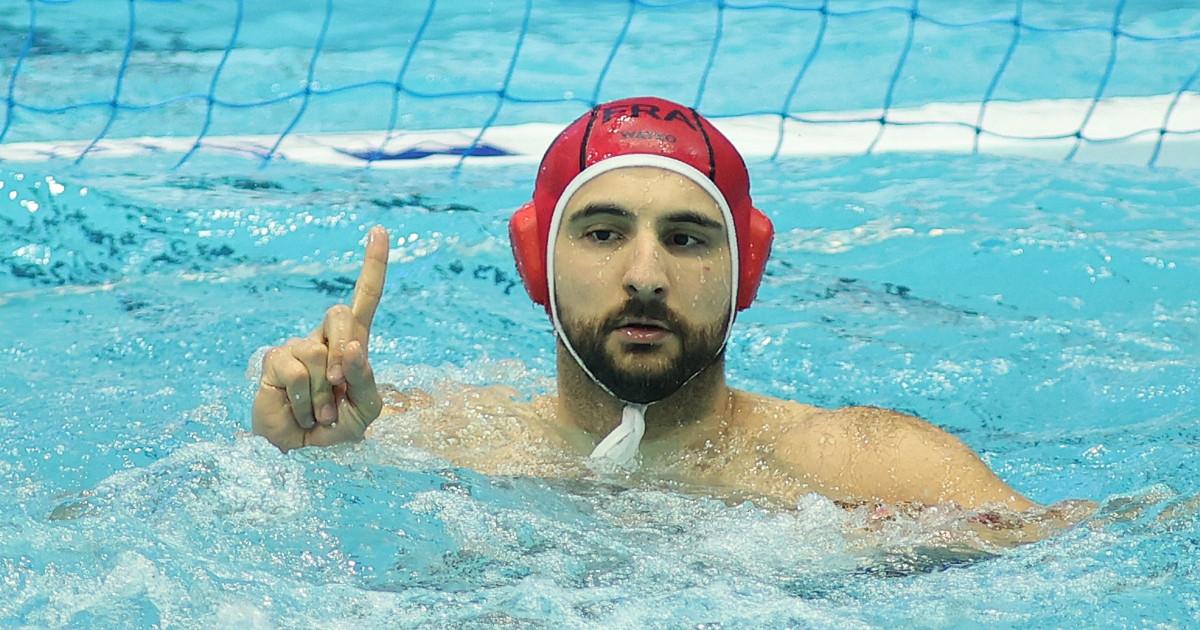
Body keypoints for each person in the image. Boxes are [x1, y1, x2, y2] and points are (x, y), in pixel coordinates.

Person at [252, 96, 1090, 537]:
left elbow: (1102, 545)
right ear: (536, 260)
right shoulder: (416, 440)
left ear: (745, 268)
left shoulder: (876, 468)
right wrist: (308, 463)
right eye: (603, 231)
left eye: (687, 238)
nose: (646, 275)